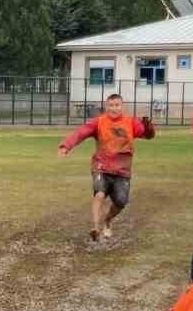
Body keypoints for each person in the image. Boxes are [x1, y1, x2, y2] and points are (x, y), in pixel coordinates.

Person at [58, 92, 155, 242]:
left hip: (122, 169)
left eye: (117, 105)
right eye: (111, 105)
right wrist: (66, 146)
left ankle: (108, 221)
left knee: (121, 202)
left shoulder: (131, 122)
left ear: (122, 106)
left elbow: (148, 136)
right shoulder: (99, 122)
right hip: (101, 166)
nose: (114, 108)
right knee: (99, 194)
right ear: (106, 106)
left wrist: (149, 127)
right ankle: (95, 227)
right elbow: (81, 132)